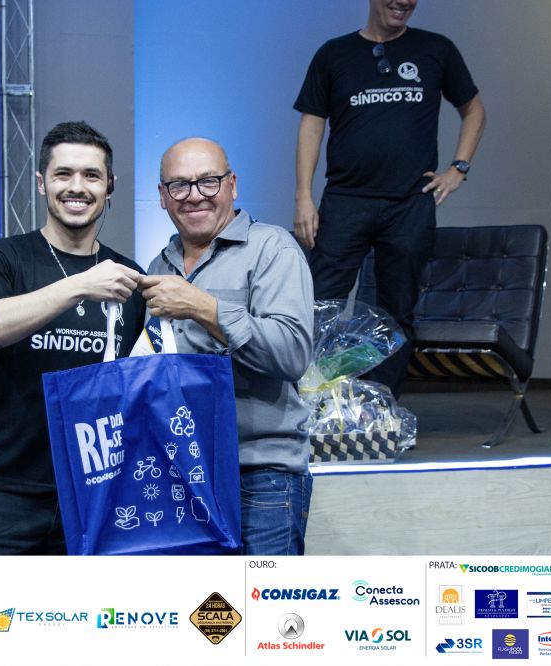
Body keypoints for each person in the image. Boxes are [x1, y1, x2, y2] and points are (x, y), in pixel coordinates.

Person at [0, 121, 146, 555]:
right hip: (3, 490)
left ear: (110, 187)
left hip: (96, 491)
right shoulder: (1, 257)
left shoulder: (127, 276)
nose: (77, 187)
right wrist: (77, 286)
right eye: (63, 174)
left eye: (91, 175)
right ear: (42, 183)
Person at [293, 0, 486, 397]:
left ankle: (383, 409)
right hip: (346, 200)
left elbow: (474, 110)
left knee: (396, 311)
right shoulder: (334, 54)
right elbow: (312, 126)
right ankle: (311, 403)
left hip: (409, 204)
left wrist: (458, 169)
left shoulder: (436, 49)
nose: (403, 2)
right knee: (319, 306)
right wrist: (303, 197)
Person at [139, 138, 314, 555]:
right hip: (182, 473)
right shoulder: (158, 266)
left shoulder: (272, 248)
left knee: (264, 598)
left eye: (208, 181)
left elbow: (292, 354)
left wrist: (203, 307)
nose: (194, 195)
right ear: (162, 196)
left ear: (232, 185)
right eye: (179, 185)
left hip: (260, 475)